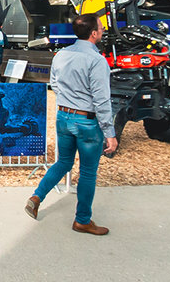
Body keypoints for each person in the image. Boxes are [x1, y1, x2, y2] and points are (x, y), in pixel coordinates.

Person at [24, 12, 117, 235]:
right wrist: (110, 132)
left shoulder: (61, 55)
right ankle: (82, 220)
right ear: (93, 33)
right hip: (86, 121)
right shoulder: (96, 61)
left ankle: (37, 196)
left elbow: (54, 83)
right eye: (101, 28)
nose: (103, 30)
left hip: (64, 117)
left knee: (63, 162)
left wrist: (69, 99)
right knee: (87, 172)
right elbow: (101, 99)